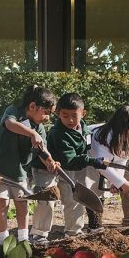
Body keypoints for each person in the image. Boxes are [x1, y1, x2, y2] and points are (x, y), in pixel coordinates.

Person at [29, 92, 106, 245]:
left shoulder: (84, 129)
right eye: (65, 116)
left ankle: (73, 231)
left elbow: (81, 151)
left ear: (83, 114)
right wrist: (92, 161)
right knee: (47, 197)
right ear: (58, 114)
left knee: (73, 197)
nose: (70, 120)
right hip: (45, 167)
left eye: (74, 116)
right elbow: (70, 159)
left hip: (67, 166)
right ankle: (39, 233)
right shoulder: (58, 133)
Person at [0, 84, 57, 244]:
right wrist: (31, 133)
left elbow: (42, 150)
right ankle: (3, 241)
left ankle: (23, 239)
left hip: (20, 172)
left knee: (22, 204)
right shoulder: (13, 112)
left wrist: (50, 161)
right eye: (46, 112)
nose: (47, 118)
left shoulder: (40, 128)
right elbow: (10, 124)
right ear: (32, 106)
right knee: (2, 203)